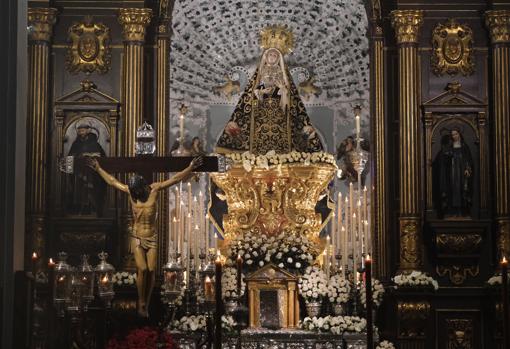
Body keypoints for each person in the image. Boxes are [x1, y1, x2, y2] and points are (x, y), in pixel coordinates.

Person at [87, 156, 203, 317]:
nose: (135, 195)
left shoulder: (154, 190)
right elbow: (112, 182)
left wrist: (190, 168)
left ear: (143, 188)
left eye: (138, 192)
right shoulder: (131, 192)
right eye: (133, 193)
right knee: (142, 268)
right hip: (137, 237)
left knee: (151, 269)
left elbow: (175, 179)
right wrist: (98, 168)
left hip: (152, 237)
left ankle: (146, 304)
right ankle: (141, 301)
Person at [215, 47, 323, 155]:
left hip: (279, 110)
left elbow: (287, 103)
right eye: (270, 55)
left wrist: (282, 89)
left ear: (278, 59)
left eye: (275, 55)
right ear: (266, 57)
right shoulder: (261, 72)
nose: (272, 57)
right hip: (261, 113)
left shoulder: (282, 72)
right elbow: (253, 102)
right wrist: (260, 93)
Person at [67, 120, 107, 216]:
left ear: (88, 130)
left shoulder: (95, 143)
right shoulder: (76, 144)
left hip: (92, 174)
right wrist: (78, 156)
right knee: (79, 192)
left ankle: (93, 208)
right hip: (79, 174)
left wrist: (91, 155)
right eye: (79, 130)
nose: (81, 131)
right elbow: (70, 157)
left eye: (83, 129)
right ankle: (80, 209)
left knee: (91, 191)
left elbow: (101, 156)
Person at [435, 128, 473, 218]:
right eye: (452, 135)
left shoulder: (464, 147)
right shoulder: (449, 147)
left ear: (459, 134)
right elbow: (444, 159)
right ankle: (451, 211)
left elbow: (468, 159)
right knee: (452, 190)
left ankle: (462, 212)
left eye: (455, 134)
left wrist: (467, 169)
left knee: (462, 190)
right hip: (452, 173)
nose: (454, 136)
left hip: (461, 174)